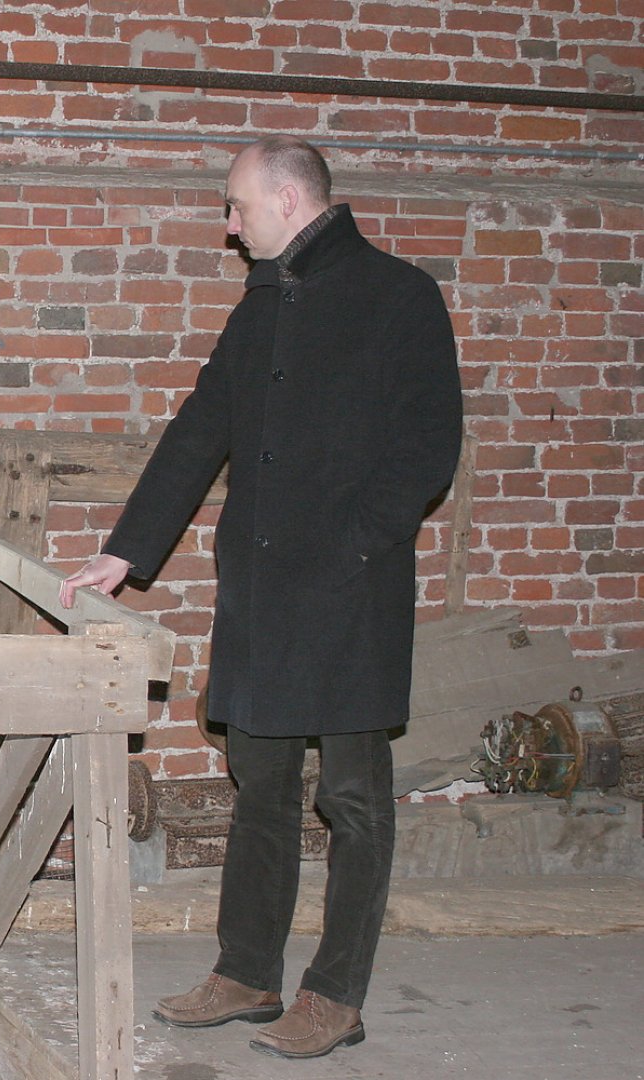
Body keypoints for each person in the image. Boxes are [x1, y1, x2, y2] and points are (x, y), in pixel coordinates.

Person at [59, 135, 462, 1060]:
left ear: (287, 200)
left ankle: (335, 995)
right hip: (263, 588)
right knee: (262, 790)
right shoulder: (261, 307)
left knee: (355, 799)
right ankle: (247, 971)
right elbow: (202, 428)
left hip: (351, 590)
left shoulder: (400, 297)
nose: (229, 225)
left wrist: (357, 543)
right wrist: (125, 554)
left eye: (237, 206)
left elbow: (428, 447)